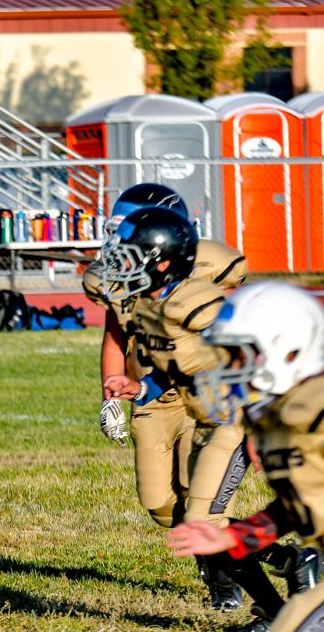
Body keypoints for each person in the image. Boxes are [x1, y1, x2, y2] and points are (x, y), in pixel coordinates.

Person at [97, 207, 291, 627]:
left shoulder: (196, 302)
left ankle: (279, 605)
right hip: (209, 414)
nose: (118, 261)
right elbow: (174, 366)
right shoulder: (149, 303)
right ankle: (283, 592)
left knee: (203, 525)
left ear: (162, 262)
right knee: (192, 522)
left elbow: (257, 352)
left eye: (130, 253)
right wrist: (140, 388)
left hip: (233, 421)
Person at [168, 281, 324, 632]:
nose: (229, 369)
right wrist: (235, 538)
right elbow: (299, 505)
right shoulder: (282, 417)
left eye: (239, 356)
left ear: (289, 351)